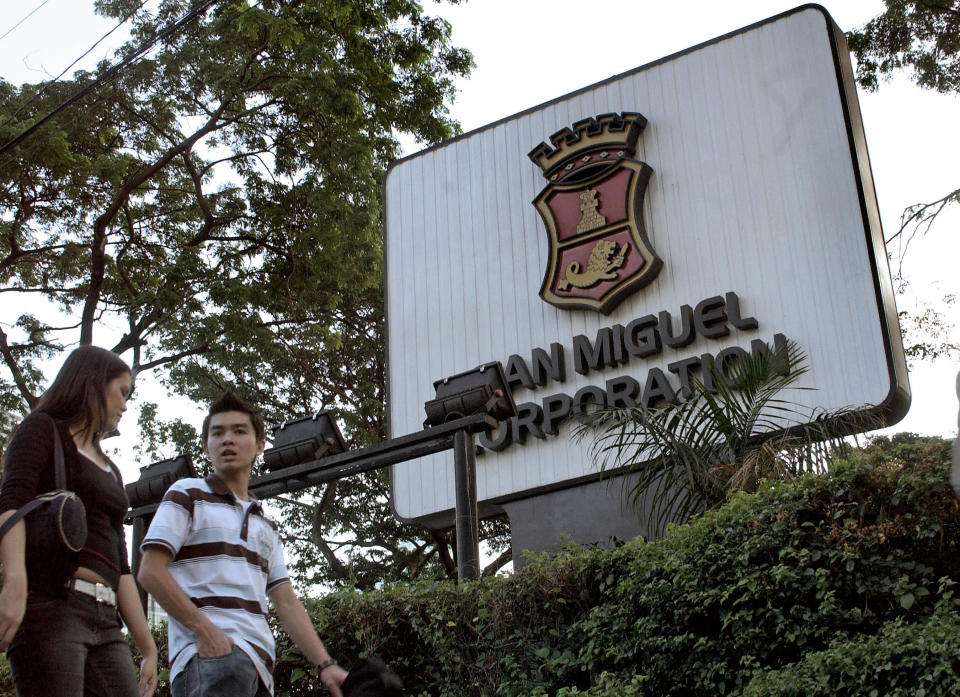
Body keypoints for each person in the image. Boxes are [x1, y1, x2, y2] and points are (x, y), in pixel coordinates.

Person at [137, 391, 348, 697]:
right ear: (206, 448)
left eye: (239, 431)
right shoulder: (187, 494)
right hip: (209, 658)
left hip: (260, 669)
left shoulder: (266, 525)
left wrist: (325, 664)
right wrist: (206, 631)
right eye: (217, 433)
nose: (227, 440)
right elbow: (150, 572)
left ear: (260, 445)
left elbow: (286, 601)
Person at [0, 346, 158, 697]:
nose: (125, 405)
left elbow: (121, 566)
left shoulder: (112, 471)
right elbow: (11, 504)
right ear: (93, 385)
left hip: (106, 620)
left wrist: (148, 647)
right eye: (122, 392)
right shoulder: (42, 430)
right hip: (53, 606)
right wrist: (14, 582)